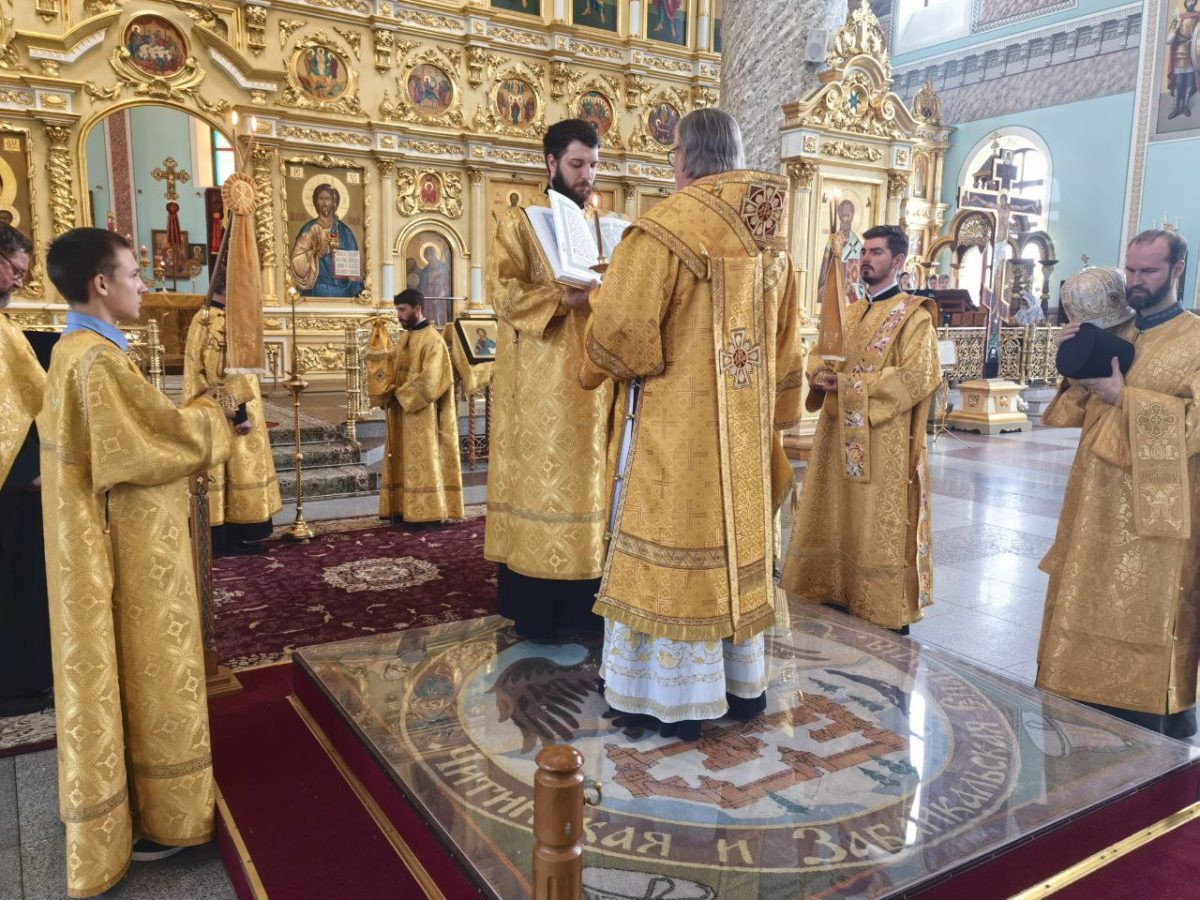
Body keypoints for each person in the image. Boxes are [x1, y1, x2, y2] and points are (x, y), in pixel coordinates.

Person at [580, 108, 805, 739]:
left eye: (673, 152)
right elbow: (787, 348)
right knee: (734, 548)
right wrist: (774, 415)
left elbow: (623, 341)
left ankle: (661, 695)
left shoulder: (663, 230)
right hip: (742, 440)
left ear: (684, 158)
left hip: (672, 434)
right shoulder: (770, 235)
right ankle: (737, 684)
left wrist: (594, 304)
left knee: (667, 547)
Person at [40, 228, 239, 895]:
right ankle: (162, 812)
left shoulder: (73, 352)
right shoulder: (97, 362)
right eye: (133, 273)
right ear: (101, 284)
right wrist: (221, 410)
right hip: (124, 548)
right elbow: (158, 441)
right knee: (147, 660)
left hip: (103, 541)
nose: (144, 285)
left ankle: (135, 804)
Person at [1037, 230, 1200, 738]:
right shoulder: (1116, 332)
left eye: (1148, 271)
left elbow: (1195, 425)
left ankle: (1151, 704)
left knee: (1148, 604)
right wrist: (1074, 362)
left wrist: (1123, 397)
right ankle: (1076, 683)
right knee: (1086, 587)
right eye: (1130, 269)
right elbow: (1070, 412)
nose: (1135, 281)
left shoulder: (1195, 339)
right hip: (1093, 496)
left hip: (1157, 508)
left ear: (1177, 270)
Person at [485, 118, 614, 643]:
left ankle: (588, 605)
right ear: (551, 163)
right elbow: (503, 293)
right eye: (577, 164)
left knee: (591, 480)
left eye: (594, 165)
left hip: (595, 377)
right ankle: (538, 609)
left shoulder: (600, 225)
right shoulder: (520, 223)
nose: (587, 175)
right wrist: (564, 297)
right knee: (545, 481)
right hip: (541, 385)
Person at [782, 225, 941, 633]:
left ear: (898, 261)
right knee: (836, 510)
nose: (865, 259)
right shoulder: (849, 311)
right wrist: (818, 374)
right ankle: (834, 587)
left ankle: (879, 605)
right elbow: (821, 352)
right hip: (837, 436)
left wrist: (851, 385)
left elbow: (917, 376)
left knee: (873, 520)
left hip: (883, 443)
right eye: (864, 252)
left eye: (876, 252)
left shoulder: (915, 317)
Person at [182, 266, 281, 555]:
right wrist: (238, 414)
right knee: (233, 469)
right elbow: (218, 376)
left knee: (224, 472)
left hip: (212, 408)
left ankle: (222, 537)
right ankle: (232, 537)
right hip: (227, 412)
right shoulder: (220, 323)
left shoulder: (203, 318)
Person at [0, 225, 54, 716]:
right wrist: (25, 474)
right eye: (15, 270)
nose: (20, 281)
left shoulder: (7, 329)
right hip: (11, 485)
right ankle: (14, 684)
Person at [378, 289, 463, 525]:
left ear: (417, 309)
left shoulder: (433, 340)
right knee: (403, 458)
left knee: (423, 460)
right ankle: (402, 508)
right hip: (401, 412)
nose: (399, 315)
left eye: (402, 310)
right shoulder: (404, 338)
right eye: (397, 310)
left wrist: (399, 393)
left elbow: (431, 381)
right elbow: (393, 371)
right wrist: (383, 387)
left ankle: (427, 513)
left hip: (423, 415)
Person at [289, 183, 364, 298]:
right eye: (321, 199)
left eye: (328, 199)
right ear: (316, 202)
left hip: (342, 292)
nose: (324, 203)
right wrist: (315, 253)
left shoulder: (345, 232)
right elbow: (296, 261)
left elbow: (354, 266)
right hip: (315, 290)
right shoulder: (308, 230)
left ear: (334, 203)